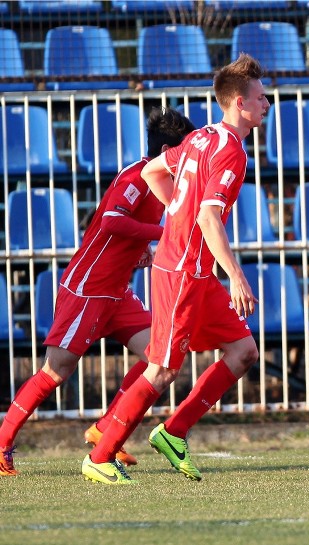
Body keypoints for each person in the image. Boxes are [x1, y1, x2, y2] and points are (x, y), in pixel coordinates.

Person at [80, 53, 269, 484]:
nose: (267, 104)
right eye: (261, 97)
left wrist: (173, 214)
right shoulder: (231, 153)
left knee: (243, 352)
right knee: (162, 369)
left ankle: (174, 431)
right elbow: (207, 217)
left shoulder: (201, 138)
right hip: (182, 270)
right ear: (239, 102)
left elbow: (151, 171)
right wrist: (236, 276)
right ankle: (101, 454)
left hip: (195, 271)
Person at [0, 108, 195, 478]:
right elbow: (111, 221)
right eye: (185, 150)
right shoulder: (138, 176)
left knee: (160, 357)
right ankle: (2, 441)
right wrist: (163, 235)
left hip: (116, 291)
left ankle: (107, 429)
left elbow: (123, 231)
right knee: (56, 371)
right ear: (169, 150)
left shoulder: (162, 184)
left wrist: (141, 253)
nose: (190, 158)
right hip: (88, 288)